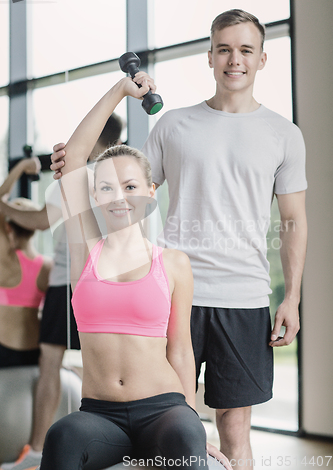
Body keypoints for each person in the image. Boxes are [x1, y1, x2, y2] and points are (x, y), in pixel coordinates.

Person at [51, 9, 308, 469]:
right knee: (169, 428)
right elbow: (124, 178)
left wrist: (292, 295)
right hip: (170, 294)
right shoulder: (173, 125)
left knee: (233, 430)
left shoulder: (283, 135)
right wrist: (79, 162)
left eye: (246, 50)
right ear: (209, 56)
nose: (235, 59)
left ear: (262, 59)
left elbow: (294, 219)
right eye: (224, 49)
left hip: (242, 295)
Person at [40, 74, 231, 470]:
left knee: (184, 435)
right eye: (106, 187)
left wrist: (193, 423)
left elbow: (180, 349)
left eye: (130, 186)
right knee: (62, 435)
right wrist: (121, 90)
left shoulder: (173, 263)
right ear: (94, 195)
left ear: (149, 192)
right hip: (100, 415)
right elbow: (75, 159)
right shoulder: (85, 250)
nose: (118, 197)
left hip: (163, 411)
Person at [0, 115, 124, 470]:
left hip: (73, 283)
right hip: (100, 281)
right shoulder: (117, 180)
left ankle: (39, 450)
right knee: (99, 364)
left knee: (51, 363)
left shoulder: (73, 179)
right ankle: (99, 447)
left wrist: (4, 207)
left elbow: (39, 221)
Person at [0, 158, 52, 368]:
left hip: (4, 347)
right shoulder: (48, 266)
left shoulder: (6, 259)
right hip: (35, 349)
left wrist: (21, 167)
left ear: (9, 228)